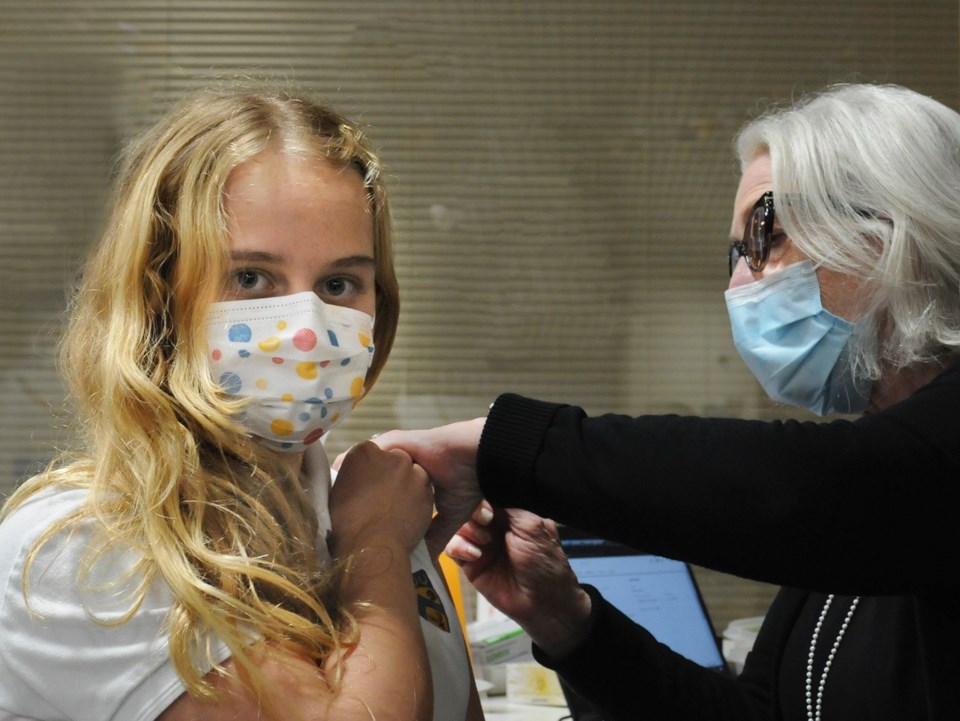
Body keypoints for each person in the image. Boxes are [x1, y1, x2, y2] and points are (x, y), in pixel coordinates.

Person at [368, 83, 960, 721]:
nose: (740, 283)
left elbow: (839, 487)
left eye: (765, 234)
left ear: (898, 224)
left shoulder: (883, 493)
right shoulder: (856, 527)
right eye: (735, 255)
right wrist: (570, 624)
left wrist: (509, 447)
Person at [0, 85, 482, 721]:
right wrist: (378, 549)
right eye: (251, 277)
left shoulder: (365, 505)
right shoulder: (81, 548)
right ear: (158, 293)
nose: (307, 328)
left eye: (340, 284)